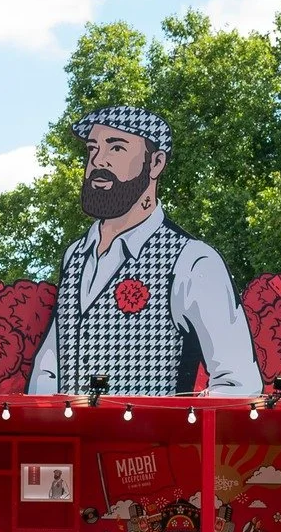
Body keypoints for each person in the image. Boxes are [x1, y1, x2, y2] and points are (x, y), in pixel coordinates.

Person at [26, 105, 261, 398]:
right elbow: (50, 366)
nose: (98, 161)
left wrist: (173, 428)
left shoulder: (192, 261)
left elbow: (239, 383)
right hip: (74, 441)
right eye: (92, 149)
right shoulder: (75, 256)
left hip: (149, 442)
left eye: (117, 149)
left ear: (156, 163)